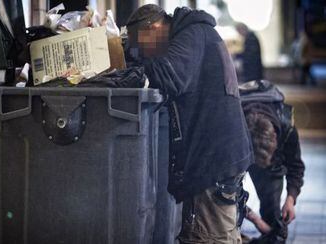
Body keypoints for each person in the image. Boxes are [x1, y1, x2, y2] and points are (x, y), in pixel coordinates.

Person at [126, 5, 253, 243]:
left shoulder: (193, 34)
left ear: (153, 29)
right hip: (217, 156)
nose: (143, 51)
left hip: (213, 158)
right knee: (212, 234)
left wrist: (130, 59)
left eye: (141, 44)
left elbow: (169, 75)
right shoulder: (196, 34)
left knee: (209, 238)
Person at [240, 80, 305, 243]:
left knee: (276, 232)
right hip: (239, 150)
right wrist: (254, 218)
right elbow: (220, 188)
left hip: (271, 164)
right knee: (222, 211)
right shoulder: (231, 128)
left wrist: (291, 198)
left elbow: (295, 165)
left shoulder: (286, 126)